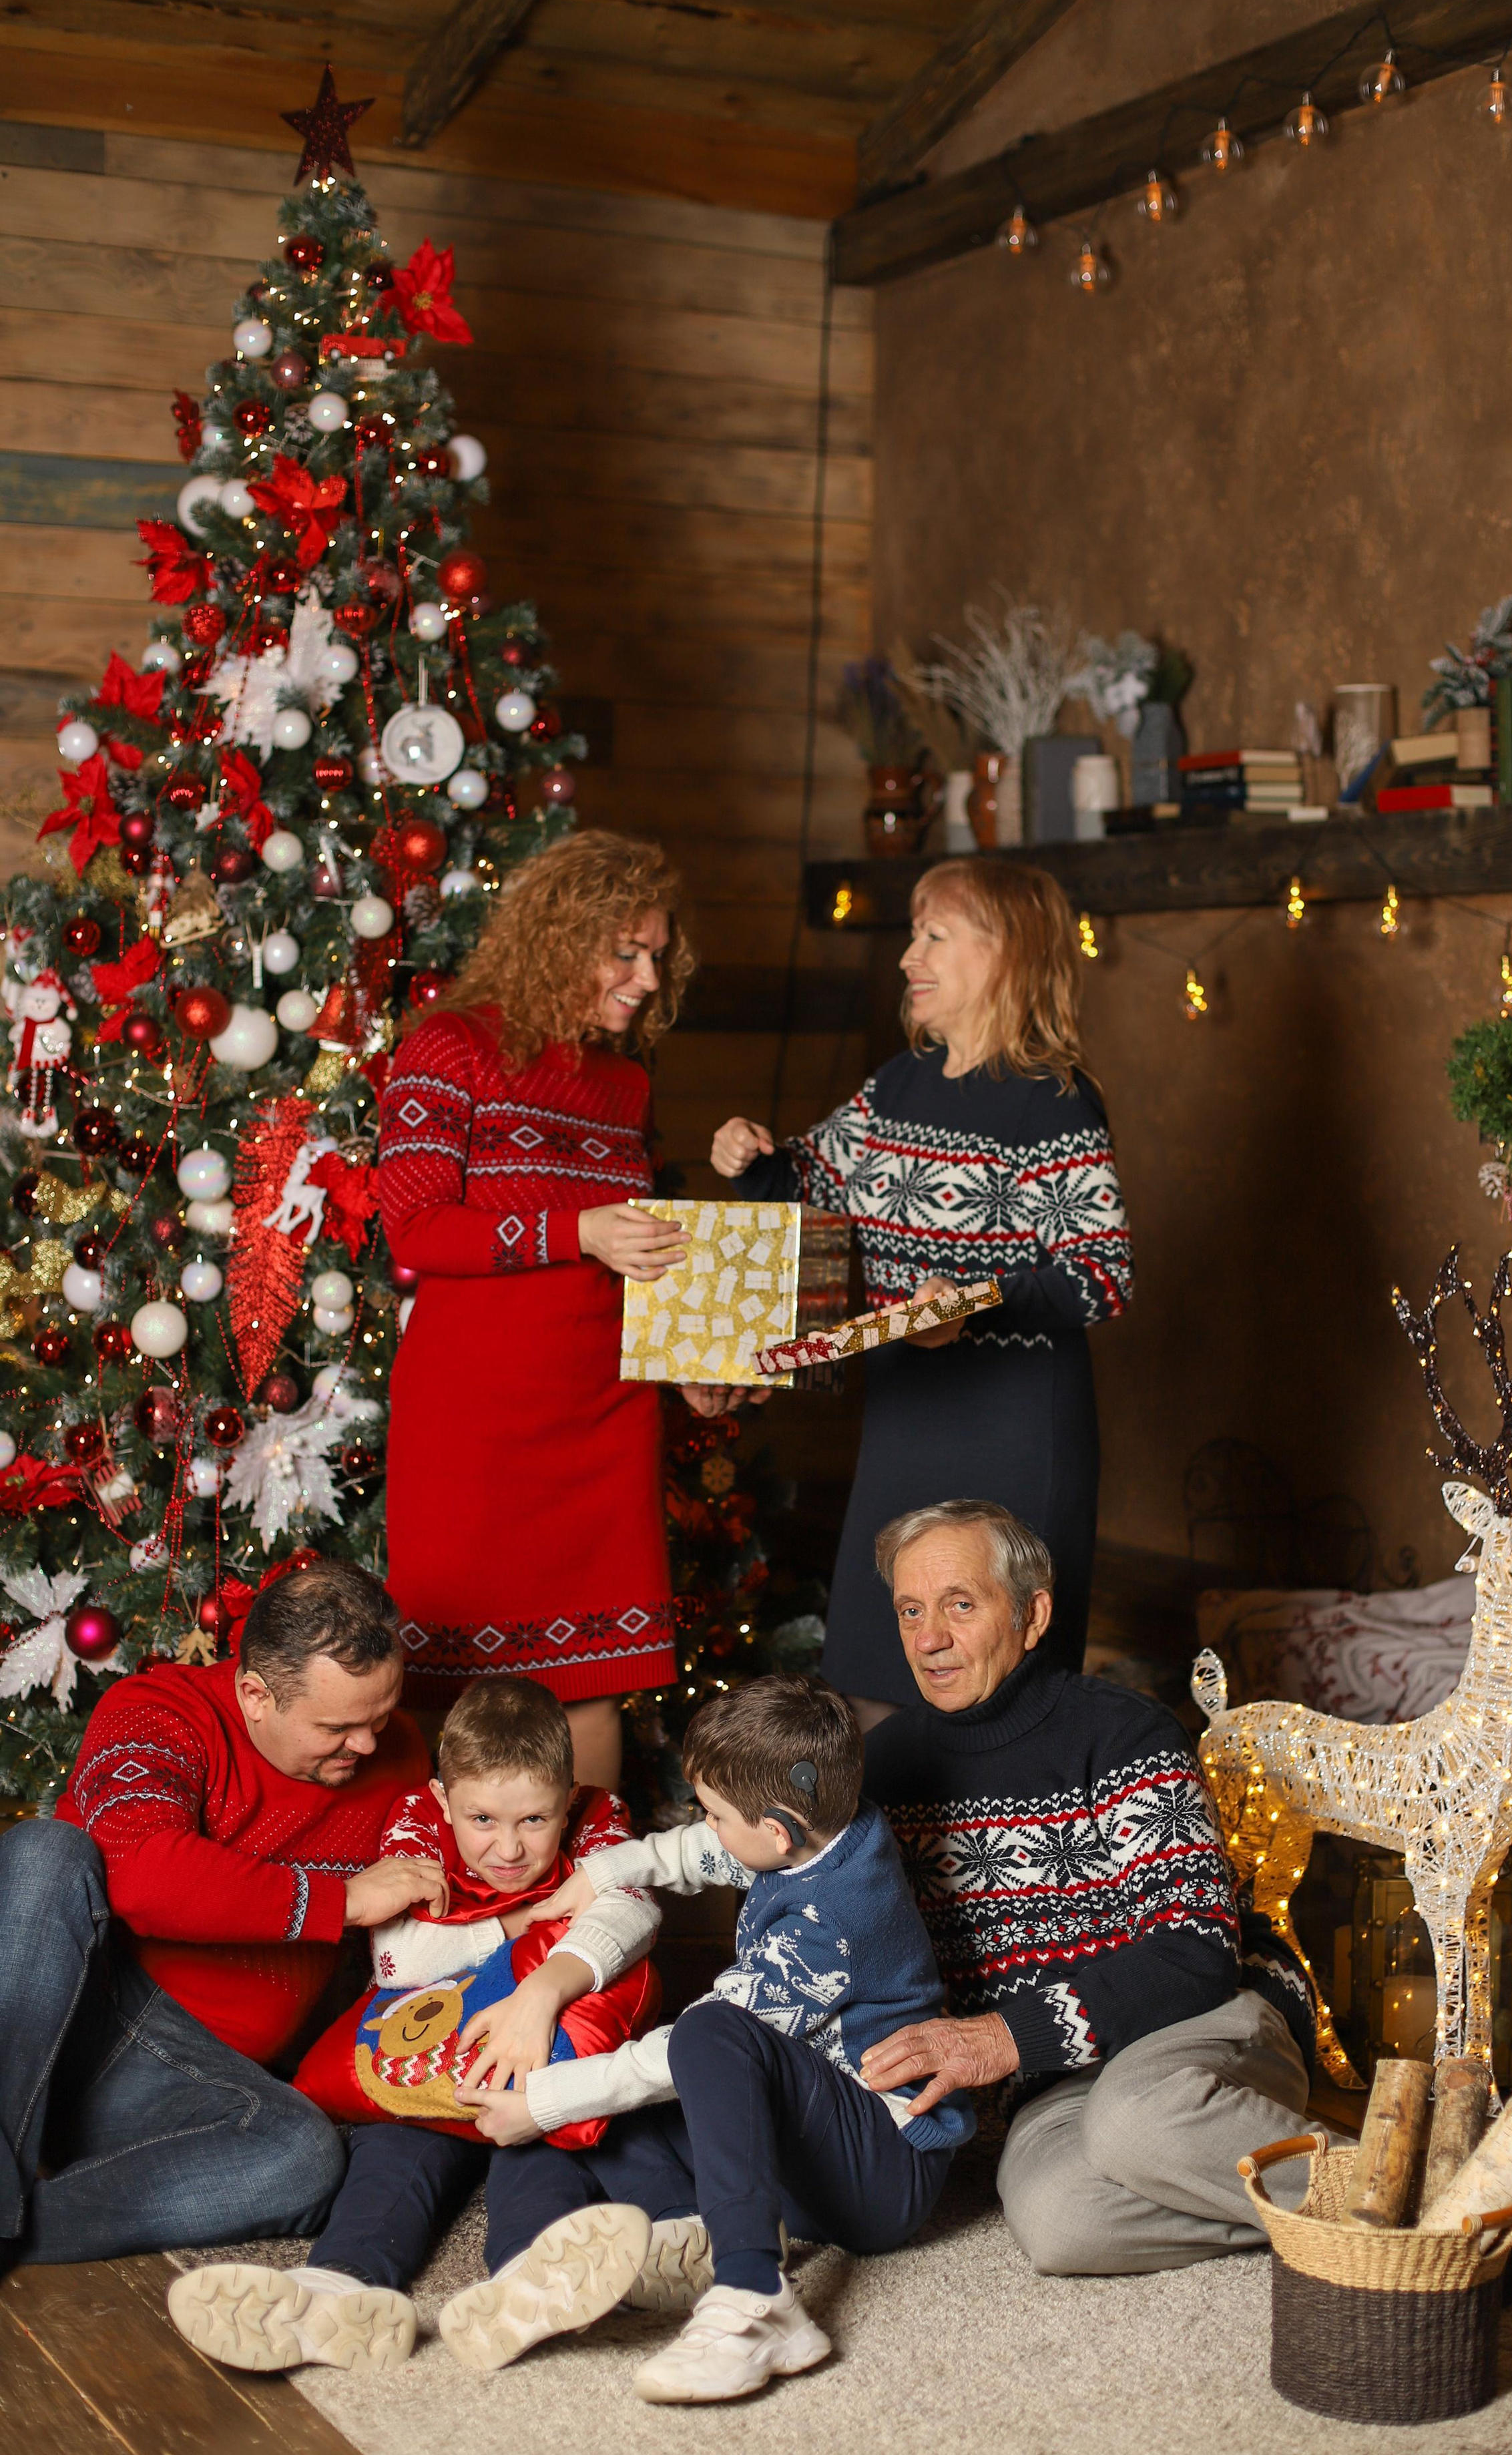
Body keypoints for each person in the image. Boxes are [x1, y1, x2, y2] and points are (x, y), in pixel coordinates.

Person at [446, 1672, 974, 2398]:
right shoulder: (817, 1828)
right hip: (797, 2137)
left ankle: (756, 2297)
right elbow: (708, 1850)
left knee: (703, 2035)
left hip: (882, 2166)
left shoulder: (836, 1921)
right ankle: (533, 2268)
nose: (709, 1824)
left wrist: (547, 2094)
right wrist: (602, 1873)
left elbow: (686, 2052)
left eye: (717, 1812)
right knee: (572, 2130)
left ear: (778, 1830)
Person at [711, 857, 1131, 1726]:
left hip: (1017, 1430)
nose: (909, 957)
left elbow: (1101, 1277)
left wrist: (976, 1302)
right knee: (875, 1673)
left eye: (934, 936)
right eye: (913, 935)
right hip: (904, 1422)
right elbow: (807, 1184)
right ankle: (889, 1864)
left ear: (1005, 954)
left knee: (997, 1686)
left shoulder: (1054, 1104)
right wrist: (753, 1158)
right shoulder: (897, 1085)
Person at [858, 1500, 1320, 2275]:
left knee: (1134, 2121)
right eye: (910, 1610)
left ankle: (1420, 2207)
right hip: (1053, 2076)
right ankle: (1335, 2218)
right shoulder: (883, 1767)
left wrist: (1002, 2037)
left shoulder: (1123, 1733)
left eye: (959, 1606)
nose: (928, 1638)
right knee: (1062, 2223)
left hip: (1199, 2022)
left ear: (1033, 1615)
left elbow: (1195, 1954)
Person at [170, 1678, 668, 2377]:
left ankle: (529, 2279)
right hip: (422, 2065)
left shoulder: (599, 1814)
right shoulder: (416, 1819)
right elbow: (401, 1958)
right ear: (444, 1801)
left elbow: (634, 1912)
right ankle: (334, 2293)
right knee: (392, 2159)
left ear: (568, 1797)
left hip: (528, 2075)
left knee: (544, 2148)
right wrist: (528, 1923)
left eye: (534, 1821)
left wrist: (540, 1998)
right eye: (483, 1820)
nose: (509, 1850)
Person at [379, 829, 726, 1791]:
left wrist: (688, 1355)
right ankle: (446, 1923)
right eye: (626, 952)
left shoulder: (624, 1084)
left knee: (593, 1685)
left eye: (657, 954)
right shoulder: (450, 1047)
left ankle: (592, 1924)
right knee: (449, 1685)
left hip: (603, 1421)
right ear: (557, 938)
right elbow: (416, 1229)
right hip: (474, 1423)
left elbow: (638, 1248)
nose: (648, 978)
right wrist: (575, 1232)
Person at [0, 1560, 431, 2270]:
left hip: (192, 2083)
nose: (368, 1744)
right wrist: (341, 1900)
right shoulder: (158, 1711)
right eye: (339, 1726)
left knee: (302, 2157)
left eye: (381, 1716)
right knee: (46, 1852)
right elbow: (142, 1873)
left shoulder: (397, 1754)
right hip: (80, 2009)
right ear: (257, 1694)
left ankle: (23, 2230)